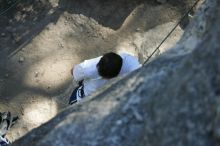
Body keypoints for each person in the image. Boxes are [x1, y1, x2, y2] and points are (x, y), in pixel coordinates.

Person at [69, 52, 142, 105]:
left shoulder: (87, 68)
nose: (96, 66)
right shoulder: (130, 61)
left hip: (88, 95)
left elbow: (73, 71)